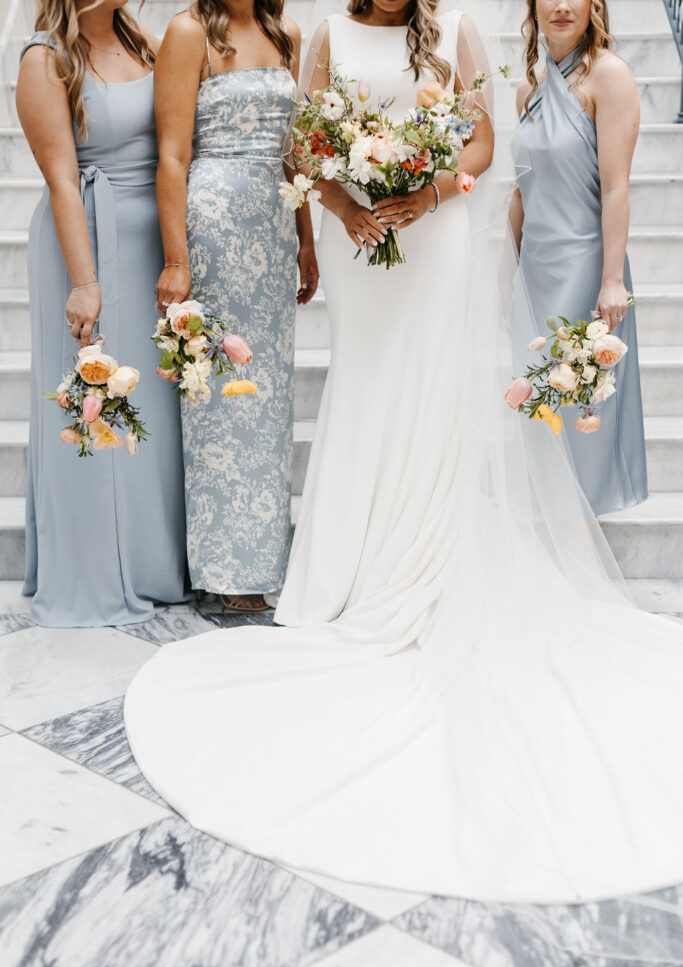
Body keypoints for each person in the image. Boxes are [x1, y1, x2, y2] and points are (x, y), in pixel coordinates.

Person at [126, 0, 683, 908]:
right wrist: (350, 206)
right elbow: (304, 143)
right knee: (365, 386)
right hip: (358, 244)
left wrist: (420, 195)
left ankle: (420, 550)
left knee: (426, 390)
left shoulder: (457, 26)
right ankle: (346, 566)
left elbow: (479, 142)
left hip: (436, 236)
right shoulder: (324, 34)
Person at [16, 0, 188, 628]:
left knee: (155, 410)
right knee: (96, 403)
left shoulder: (146, 40)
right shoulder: (46, 58)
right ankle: (92, 570)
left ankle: (155, 564)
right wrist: (85, 283)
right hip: (86, 241)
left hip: (154, 247)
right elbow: (62, 178)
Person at [153, 0, 318, 614]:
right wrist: (177, 260)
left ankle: (260, 565)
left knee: (268, 398)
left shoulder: (287, 31)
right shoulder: (189, 30)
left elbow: (294, 152)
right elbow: (172, 154)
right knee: (218, 390)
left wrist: (306, 238)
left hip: (274, 229)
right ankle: (221, 572)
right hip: (214, 226)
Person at [509, 0, 647, 515]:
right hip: (537, 267)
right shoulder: (529, 88)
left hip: (586, 267)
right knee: (537, 403)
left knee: (578, 400)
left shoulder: (610, 76)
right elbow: (522, 193)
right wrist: (507, 270)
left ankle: (579, 533)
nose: (562, 5)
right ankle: (547, 526)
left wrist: (612, 280)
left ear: (595, 6)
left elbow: (615, 189)